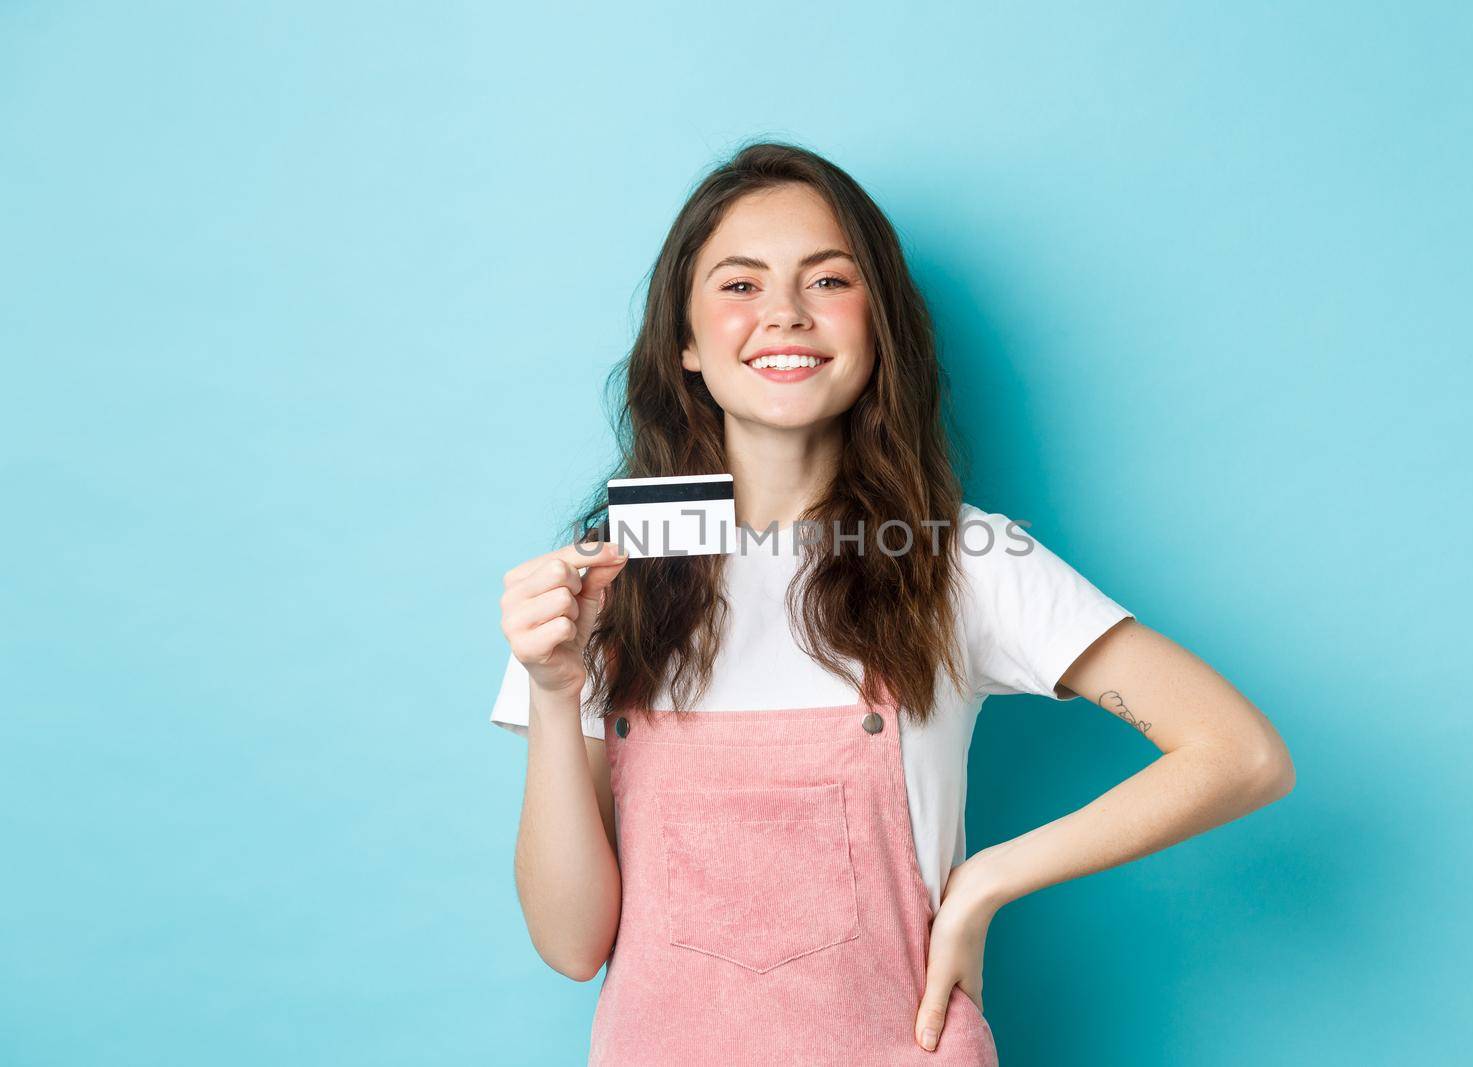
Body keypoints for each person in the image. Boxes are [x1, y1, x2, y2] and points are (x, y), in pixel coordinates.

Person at [488, 141, 1295, 1065]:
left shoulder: (963, 561)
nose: (784, 314)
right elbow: (570, 942)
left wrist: (987, 879)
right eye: (740, 286)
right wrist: (556, 688)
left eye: (828, 280)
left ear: (878, 328)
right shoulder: (597, 589)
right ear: (684, 342)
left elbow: (1242, 753)